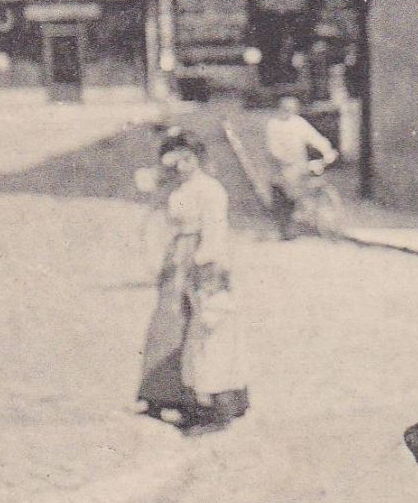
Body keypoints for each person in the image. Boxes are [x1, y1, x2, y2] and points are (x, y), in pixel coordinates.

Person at [136, 129, 250, 433]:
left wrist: (205, 262)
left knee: (204, 326)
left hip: (200, 258)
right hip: (177, 256)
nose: (182, 165)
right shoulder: (178, 188)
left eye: (188, 158)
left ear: (199, 158)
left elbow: (215, 230)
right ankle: (164, 395)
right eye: (177, 158)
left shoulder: (210, 190)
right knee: (169, 323)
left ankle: (213, 399)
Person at [265, 95, 338, 239]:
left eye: (292, 109)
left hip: (298, 163)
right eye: (286, 109)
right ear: (280, 109)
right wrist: (282, 158)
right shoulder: (273, 124)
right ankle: (285, 229)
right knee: (283, 195)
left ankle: (313, 221)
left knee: (305, 188)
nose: (289, 112)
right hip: (281, 166)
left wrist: (327, 150)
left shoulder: (299, 123)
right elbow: (272, 147)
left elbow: (314, 137)